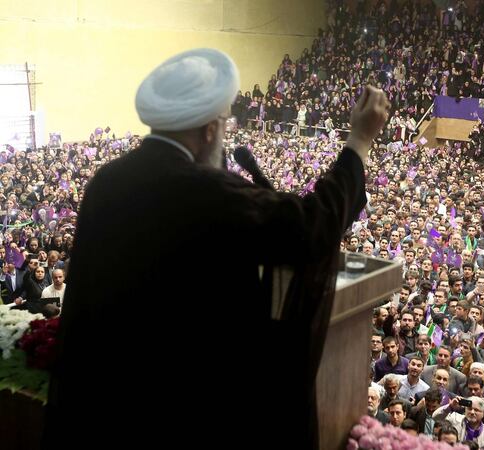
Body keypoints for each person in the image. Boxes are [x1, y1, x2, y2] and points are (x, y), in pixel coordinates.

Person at [43, 48, 390, 449]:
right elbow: (311, 228)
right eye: (224, 123)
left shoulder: (107, 181)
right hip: (178, 410)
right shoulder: (205, 191)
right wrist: (359, 142)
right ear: (210, 129)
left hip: (101, 407)